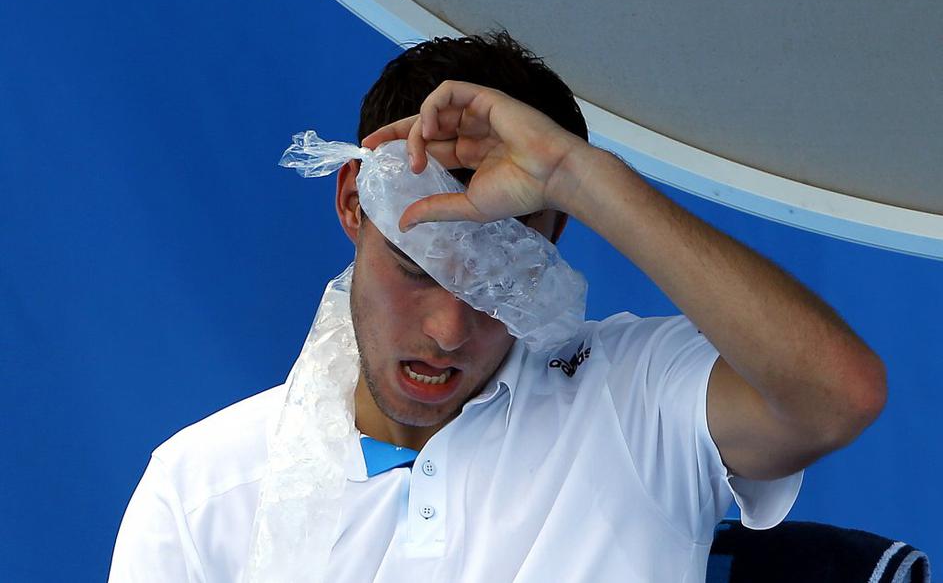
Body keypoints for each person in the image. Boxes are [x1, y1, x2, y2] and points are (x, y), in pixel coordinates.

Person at [109, 32, 886, 582]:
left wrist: (577, 176)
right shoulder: (201, 489)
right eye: (417, 270)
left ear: (557, 238)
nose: (448, 331)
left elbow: (837, 396)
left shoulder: (639, 398)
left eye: (500, 284)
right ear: (352, 204)